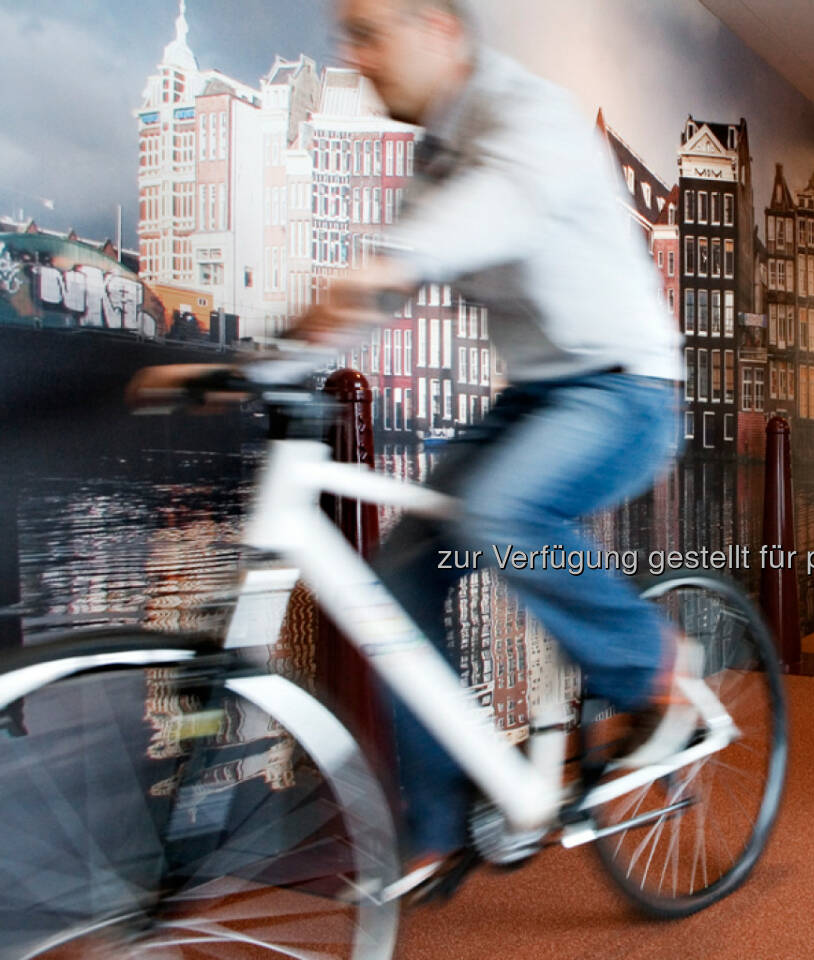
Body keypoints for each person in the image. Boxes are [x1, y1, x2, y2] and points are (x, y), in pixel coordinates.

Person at [134, 0, 688, 902]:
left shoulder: (527, 118)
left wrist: (378, 273)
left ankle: (649, 667)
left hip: (626, 389)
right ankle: (438, 827)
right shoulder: (434, 157)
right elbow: (392, 288)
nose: (353, 58)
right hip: (540, 394)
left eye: (367, 33)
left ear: (438, 26)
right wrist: (263, 365)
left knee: (502, 513)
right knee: (399, 573)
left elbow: (450, 233)